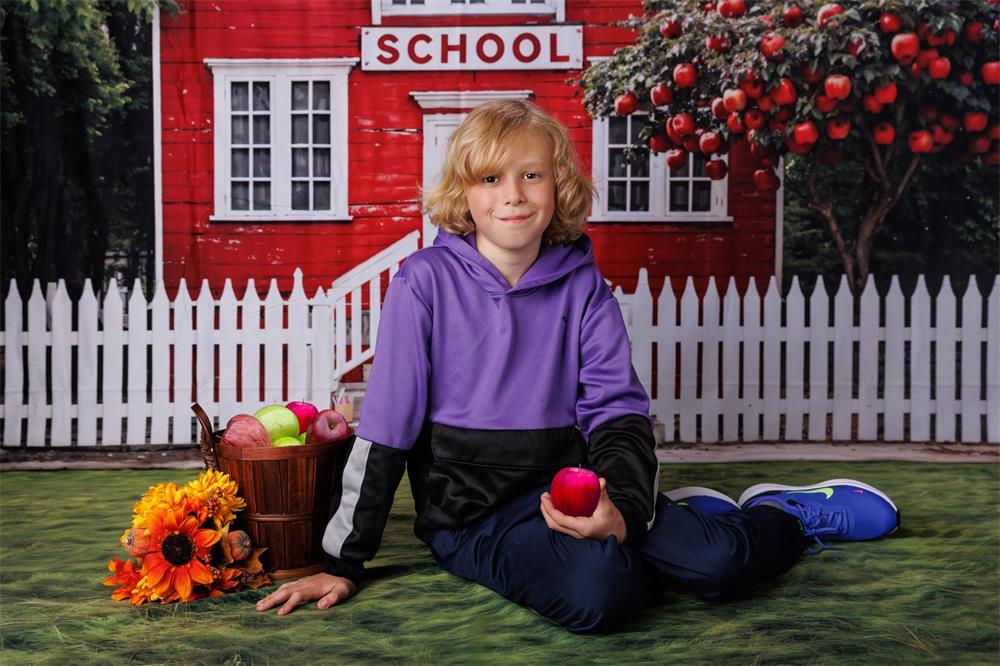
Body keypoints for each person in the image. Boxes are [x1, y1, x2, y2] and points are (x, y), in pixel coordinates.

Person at [256, 100, 899, 632]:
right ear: (464, 193)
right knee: (604, 597)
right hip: (472, 519)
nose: (512, 195)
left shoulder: (585, 288)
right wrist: (343, 562)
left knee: (722, 564)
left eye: (531, 176)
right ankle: (675, 525)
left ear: (558, 187)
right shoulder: (422, 283)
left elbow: (618, 415)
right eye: (490, 179)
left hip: (581, 491)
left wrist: (620, 506)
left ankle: (781, 515)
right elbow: (385, 433)